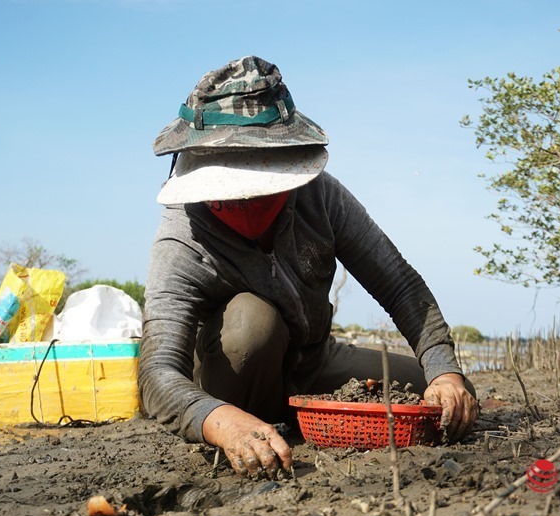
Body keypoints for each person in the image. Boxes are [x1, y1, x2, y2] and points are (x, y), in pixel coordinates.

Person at [139, 56, 477, 479]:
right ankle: (255, 418)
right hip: (234, 385)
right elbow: (157, 373)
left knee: (441, 401)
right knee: (251, 321)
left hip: (314, 365)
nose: (247, 203)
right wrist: (222, 422)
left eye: (261, 189)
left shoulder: (321, 199)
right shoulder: (181, 239)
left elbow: (400, 285)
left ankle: (308, 410)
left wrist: (445, 372)